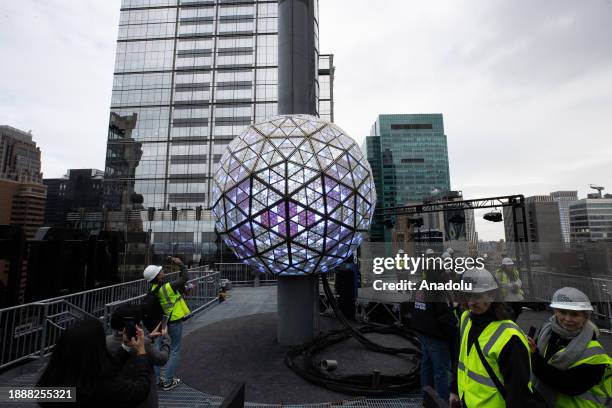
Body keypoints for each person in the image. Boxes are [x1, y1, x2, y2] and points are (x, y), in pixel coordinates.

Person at [450, 267, 541, 407]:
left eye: (478, 296)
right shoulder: (466, 319)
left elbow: (519, 393)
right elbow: (460, 358)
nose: (471, 302)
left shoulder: (510, 336)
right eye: (468, 295)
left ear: (492, 296)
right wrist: (455, 390)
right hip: (467, 401)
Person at [37, 318, 151, 408]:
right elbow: (140, 389)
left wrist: (126, 347)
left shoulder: (54, 382)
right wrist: (141, 351)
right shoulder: (104, 387)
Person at [528, 287, 611, 407]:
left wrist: (534, 357)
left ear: (585, 317)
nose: (567, 319)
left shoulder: (595, 353)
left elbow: (569, 386)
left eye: (574, 314)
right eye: (562, 312)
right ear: (555, 312)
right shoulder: (546, 332)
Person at [408, 264, 457, 400]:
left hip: (422, 331)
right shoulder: (438, 289)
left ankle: (427, 397)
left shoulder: (419, 285)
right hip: (436, 334)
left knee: (427, 364)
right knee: (441, 369)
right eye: (443, 273)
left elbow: (413, 306)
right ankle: (443, 400)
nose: (445, 276)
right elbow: (445, 317)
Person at [106, 304, 171, 408]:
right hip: (143, 399)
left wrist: (149, 338)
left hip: (119, 398)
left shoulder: (107, 341)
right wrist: (165, 338)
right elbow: (162, 359)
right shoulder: (144, 344)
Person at [143, 257, 191, 391]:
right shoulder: (167, 288)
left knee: (158, 350)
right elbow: (185, 277)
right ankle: (168, 381)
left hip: (162, 321)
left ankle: (157, 380)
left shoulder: (153, 288)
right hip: (174, 320)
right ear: (157, 276)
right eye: (161, 271)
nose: (163, 272)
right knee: (175, 350)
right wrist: (181, 264)